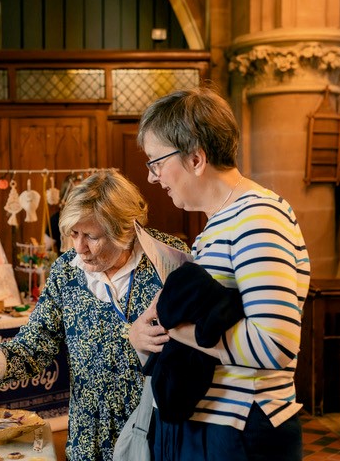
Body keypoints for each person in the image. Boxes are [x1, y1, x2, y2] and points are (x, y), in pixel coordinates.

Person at [0, 169, 189, 461]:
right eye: (73, 234)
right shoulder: (66, 271)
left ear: (125, 231)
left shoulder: (168, 261)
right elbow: (32, 348)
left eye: (91, 237)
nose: (79, 248)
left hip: (156, 436)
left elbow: (200, 347)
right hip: (88, 441)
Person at [131, 86, 311, 461]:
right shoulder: (219, 224)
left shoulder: (258, 217)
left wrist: (175, 326)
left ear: (196, 159)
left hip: (243, 429)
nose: (152, 177)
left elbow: (274, 345)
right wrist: (144, 333)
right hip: (213, 426)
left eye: (156, 162)